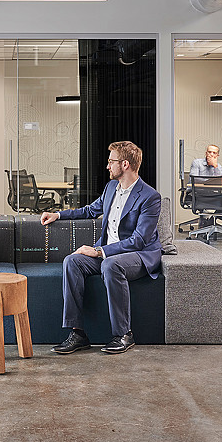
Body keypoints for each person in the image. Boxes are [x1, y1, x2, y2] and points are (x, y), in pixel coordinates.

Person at [41, 141, 161, 355]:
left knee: (111, 265)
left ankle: (124, 334)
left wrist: (98, 252)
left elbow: (140, 240)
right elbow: (90, 210)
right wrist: (58, 215)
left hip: (137, 256)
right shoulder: (111, 188)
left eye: (111, 161)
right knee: (72, 261)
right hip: (108, 253)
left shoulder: (150, 197)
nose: (107, 166)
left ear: (125, 164)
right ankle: (78, 333)